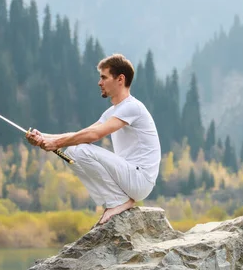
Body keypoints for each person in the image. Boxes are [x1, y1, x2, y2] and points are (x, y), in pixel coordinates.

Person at [25, 54, 161, 225]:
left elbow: (95, 135)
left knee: (79, 150)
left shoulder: (132, 107)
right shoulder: (113, 111)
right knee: (73, 151)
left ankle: (118, 202)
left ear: (120, 79)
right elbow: (85, 132)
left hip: (140, 179)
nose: (99, 82)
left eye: (104, 77)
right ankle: (116, 201)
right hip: (130, 178)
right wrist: (43, 137)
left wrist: (56, 144)